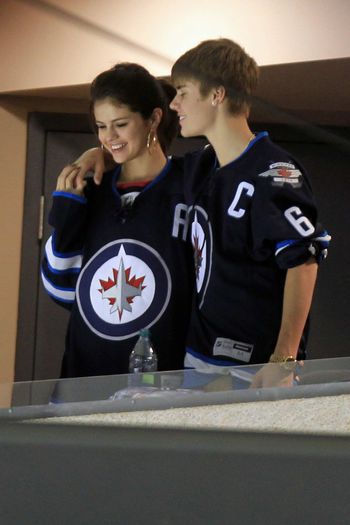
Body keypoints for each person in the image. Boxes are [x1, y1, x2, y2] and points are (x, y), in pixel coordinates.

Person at [71, 39, 330, 388]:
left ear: (217, 95)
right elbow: (145, 161)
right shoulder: (201, 168)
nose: (174, 103)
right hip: (198, 360)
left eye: (182, 92)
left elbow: (303, 261)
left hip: (255, 368)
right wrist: (99, 152)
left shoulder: (274, 170)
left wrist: (284, 360)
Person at [41, 63, 194, 378]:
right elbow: (60, 287)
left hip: (167, 383)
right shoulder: (89, 191)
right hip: (85, 380)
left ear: (153, 118)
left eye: (121, 124)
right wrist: (69, 211)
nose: (109, 137)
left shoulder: (191, 184)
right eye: (101, 126)